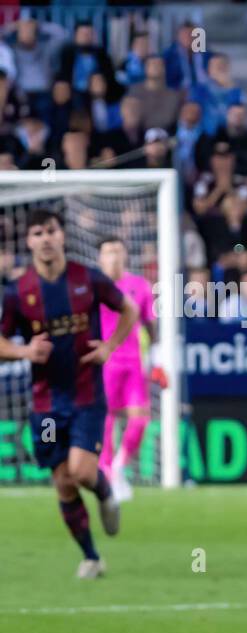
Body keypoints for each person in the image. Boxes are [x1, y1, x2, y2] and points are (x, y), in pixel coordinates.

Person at [0, 210, 140, 577]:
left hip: (86, 397)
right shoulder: (19, 292)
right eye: (37, 233)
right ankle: (92, 557)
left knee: (79, 471)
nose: (45, 238)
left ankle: (106, 491)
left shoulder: (87, 279)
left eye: (51, 231)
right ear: (28, 241)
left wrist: (109, 347)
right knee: (62, 481)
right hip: (45, 406)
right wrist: (24, 351)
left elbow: (130, 308)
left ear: (62, 236)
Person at [96, 237, 160, 501]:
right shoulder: (92, 287)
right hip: (104, 363)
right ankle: (108, 474)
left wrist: (157, 357)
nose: (113, 256)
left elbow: (150, 324)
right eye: (108, 252)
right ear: (99, 257)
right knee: (106, 420)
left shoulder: (139, 286)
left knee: (140, 418)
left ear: (125, 255)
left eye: (117, 251)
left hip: (133, 362)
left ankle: (120, 466)